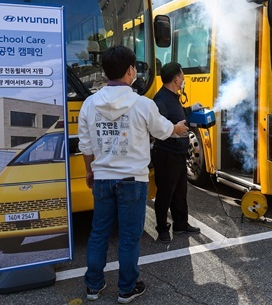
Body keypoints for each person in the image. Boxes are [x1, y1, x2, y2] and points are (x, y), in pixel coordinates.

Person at [78, 46, 188, 303]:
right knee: (129, 238)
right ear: (130, 70)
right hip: (133, 182)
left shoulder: (89, 104)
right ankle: (126, 289)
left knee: (98, 234)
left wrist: (90, 172)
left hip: (103, 179)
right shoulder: (142, 104)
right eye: (134, 67)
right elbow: (164, 131)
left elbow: (85, 145)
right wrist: (179, 128)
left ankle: (93, 286)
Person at [152, 62, 203, 244]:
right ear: (176, 79)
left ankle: (181, 224)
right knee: (165, 193)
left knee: (180, 191)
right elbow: (159, 127)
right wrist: (175, 130)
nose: (183, 80)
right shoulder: (160, 101)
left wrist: (191, 109)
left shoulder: (173, 97)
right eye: (182, 76)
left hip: (179, 153)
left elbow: (178, 115)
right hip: (166, 154)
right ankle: (162, 230)